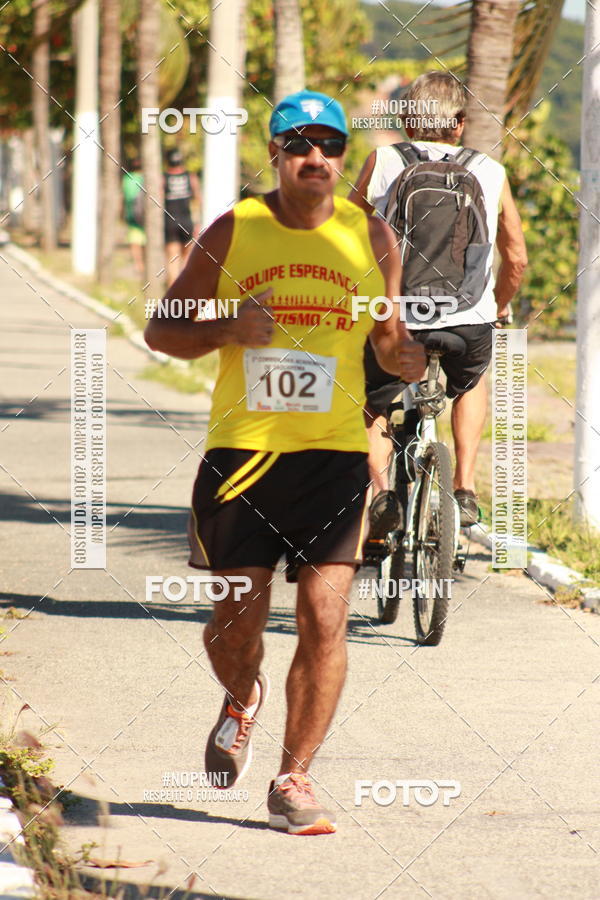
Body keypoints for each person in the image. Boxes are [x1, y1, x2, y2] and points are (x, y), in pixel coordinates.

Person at [145, 89, 425, 835]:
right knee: (235, 625)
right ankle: (242, 695)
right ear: (274, 153)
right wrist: (227, 329)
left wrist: (406, 355)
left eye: (329, 144)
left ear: (342, 155)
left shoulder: (372, 236)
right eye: (298, 144)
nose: (315, 157)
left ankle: (293, 779)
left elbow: (387, 338)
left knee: (325, 617)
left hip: (334, 456)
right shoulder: (236, 228)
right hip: (243, 455)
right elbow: (162, 330)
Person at [349, 71, 528, 528]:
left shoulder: (383, 160)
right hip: (468, 316)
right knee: (469, 381)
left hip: (397, 317)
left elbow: (343, 232)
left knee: (375, 399)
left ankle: (381, 496)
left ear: (408, 120)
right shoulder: (490, 171)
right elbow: (517, 258)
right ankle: (465, 487)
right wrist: (497, 306)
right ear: (460, 123)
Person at [164, 148, 200, 284]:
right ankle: (184, 289)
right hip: (187, 221)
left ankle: (172, 290)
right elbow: (198, 200)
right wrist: (197, 222)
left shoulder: (164, 178)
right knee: (187, 259)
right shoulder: (190, 177)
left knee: (173, 259)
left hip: (170, 222)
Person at [122, 158, 145, 278]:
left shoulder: (126, 179)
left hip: (131, 212)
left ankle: (138, 264)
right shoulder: (144, 178)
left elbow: (124, 197)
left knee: (134, 240)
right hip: (144, 214)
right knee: (144, 239)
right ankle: (145, 263)